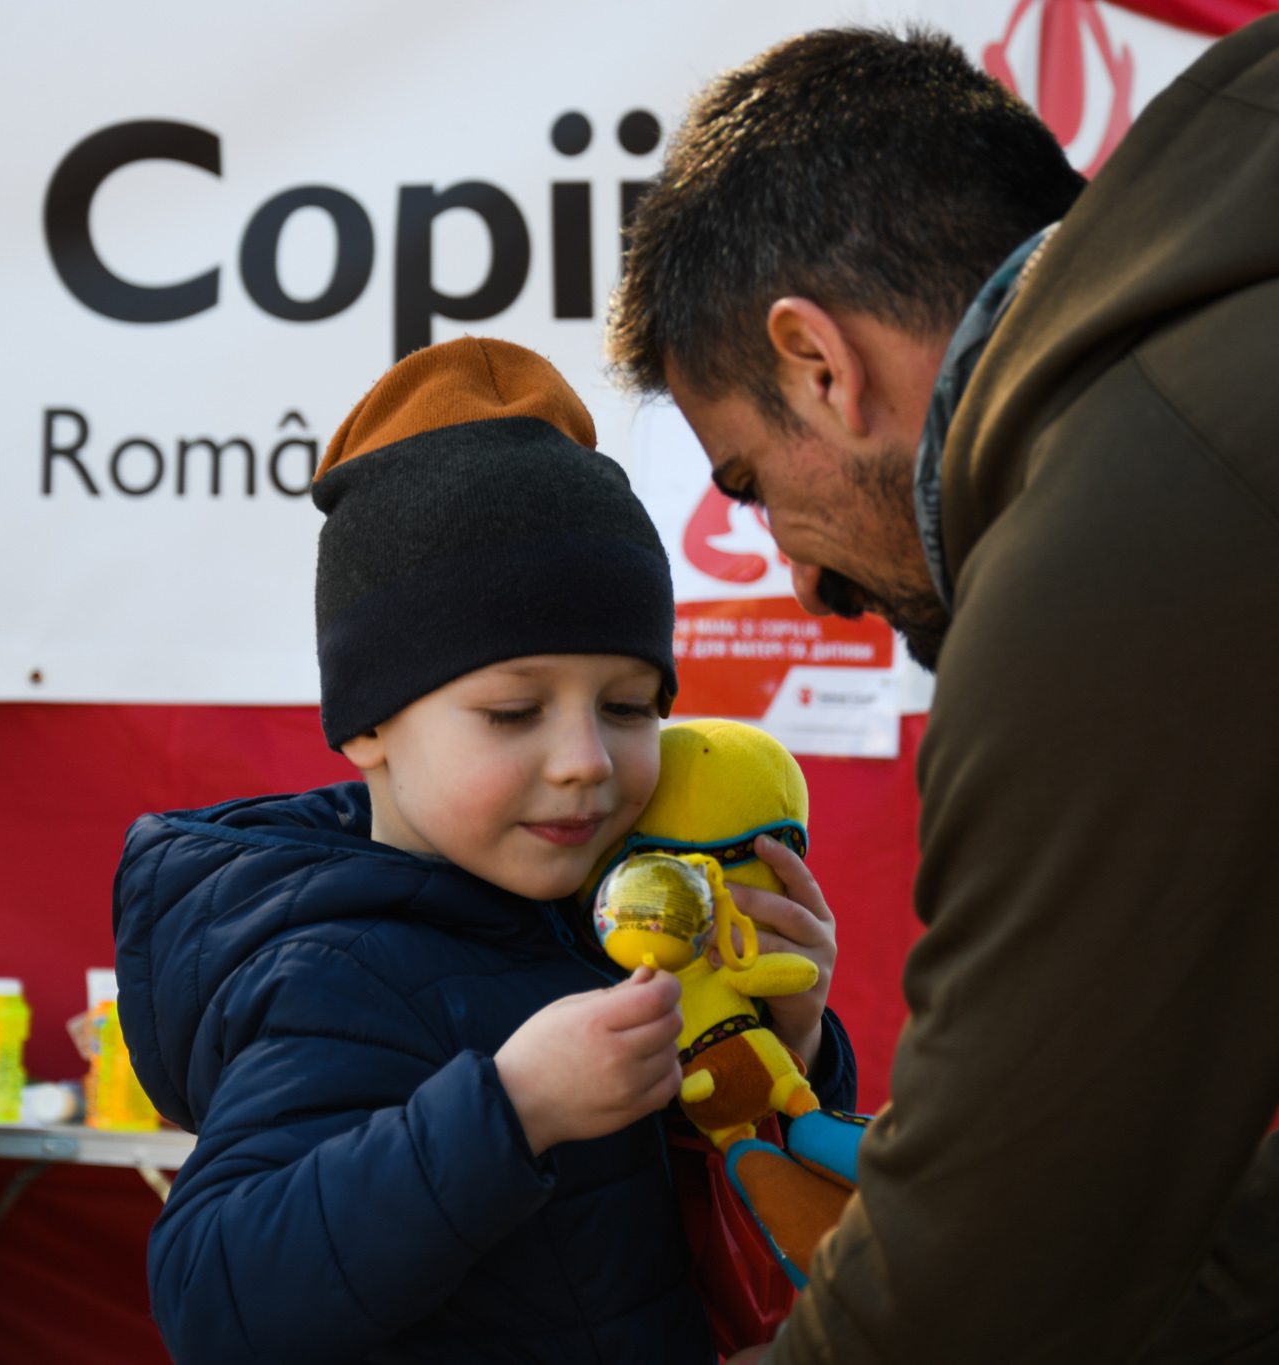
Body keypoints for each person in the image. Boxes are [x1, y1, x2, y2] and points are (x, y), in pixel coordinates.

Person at [608, 15, 1279, 1365]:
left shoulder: (1134, 513)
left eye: (753, 485)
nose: (806, 586)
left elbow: (987, 1269)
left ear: (820, 364)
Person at [111, 338, 855, 1363]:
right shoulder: (341, 969)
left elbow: (732, 1206)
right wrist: (511, 1110)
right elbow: (212, 1298)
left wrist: (792, 1038)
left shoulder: (613, 912)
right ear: (369, 725)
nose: (584, 762)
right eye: (513, 712)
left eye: (629, 706)